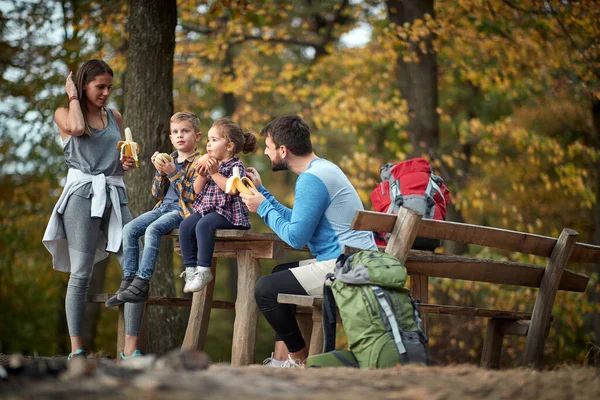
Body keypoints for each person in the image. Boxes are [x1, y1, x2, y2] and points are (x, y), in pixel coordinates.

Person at [240, 115, 377, 368]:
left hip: (346, 267)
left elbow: (295, 236)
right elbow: (301, 220)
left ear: (283, 150)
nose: (267, 153)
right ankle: (282, 361)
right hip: (353, 261)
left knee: (265, 290)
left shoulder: (311, 180)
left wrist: (262, 208)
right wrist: (264, 195)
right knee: (281, 273)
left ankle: (302, 363)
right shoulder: (324, 169)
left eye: (269, 147)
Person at [42, 59, 144, 360]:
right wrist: (72, 96)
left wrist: (125, 164)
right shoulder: (64, 113)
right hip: (82, 198)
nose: (105, 93)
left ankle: (130, 350)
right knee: (81, 273)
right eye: (99, 86)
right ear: (84, 84)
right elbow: (75, 128)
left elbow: (118, 163)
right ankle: (77, 350)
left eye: (109, 87)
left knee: (136, 270)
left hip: (114, 195)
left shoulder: (114, 116)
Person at [104, 111, 203, 307]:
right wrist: (160, 173)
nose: (180, 135)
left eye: (185, 131)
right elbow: (157, 193)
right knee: (129, 229)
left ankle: (142, 282)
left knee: (153, 230)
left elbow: (191, 196)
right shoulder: (170, 158)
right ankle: (128, 282)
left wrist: (173, 173)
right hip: (163, 207)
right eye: (175, 132)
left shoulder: (199, 163)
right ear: (170, 138)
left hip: (183, 212)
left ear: (197, 136)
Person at [178, 118, 257, 292]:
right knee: (185, 225)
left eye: (214, 140)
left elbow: (231, 189)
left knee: (204, 224)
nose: (208, 145)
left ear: (229, 146)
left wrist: (214, 173)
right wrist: (202, 175)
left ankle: (204, 270)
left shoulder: (237, 166)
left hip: (228, 213)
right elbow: (197, 191)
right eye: (208, 140)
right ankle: (191, 270)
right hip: (208, 209)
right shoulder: (211, 164)